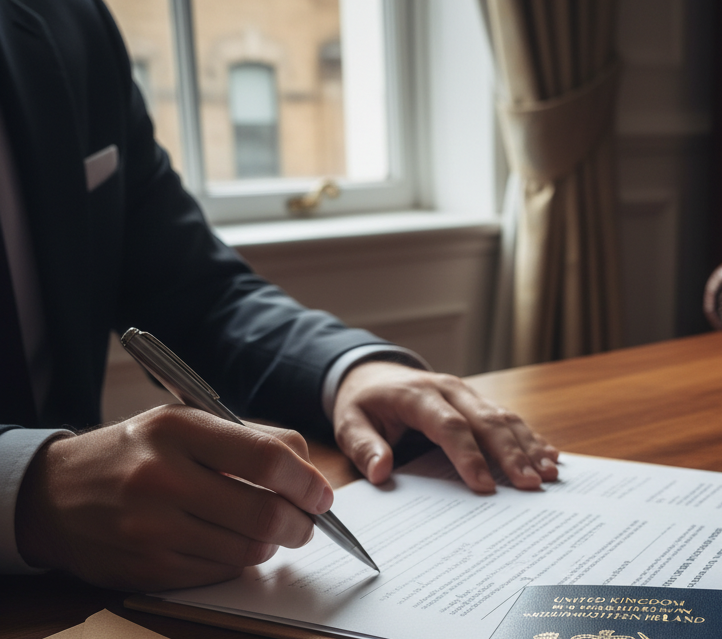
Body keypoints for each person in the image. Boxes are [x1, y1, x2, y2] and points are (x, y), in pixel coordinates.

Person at [0, 0, 558, 592]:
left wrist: (348, 371)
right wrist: (27, 491)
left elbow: (200, 292)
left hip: (99, 605)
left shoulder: (69, 20)